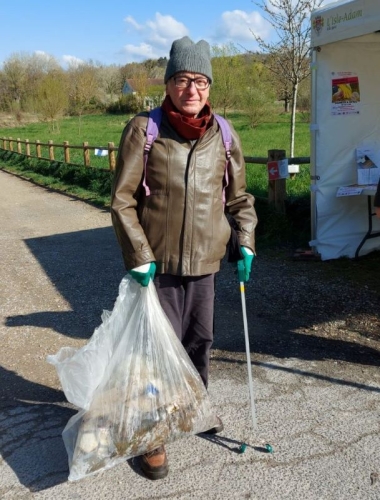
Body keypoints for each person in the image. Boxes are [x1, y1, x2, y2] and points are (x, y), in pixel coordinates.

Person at [111, 36, 257, 480]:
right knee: (156, 351)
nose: (191, 89)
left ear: (208, 86)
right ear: (169, 84)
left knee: (199, 342)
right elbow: (121, 200)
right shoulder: (145, 129)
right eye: (181, 79)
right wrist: (138, 254)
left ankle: (190, 408)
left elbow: (239, 199)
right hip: (158, 266)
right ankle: (151, 433)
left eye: (199, 80)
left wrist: (246, 240)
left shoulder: (224, 134)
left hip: (207, 263)